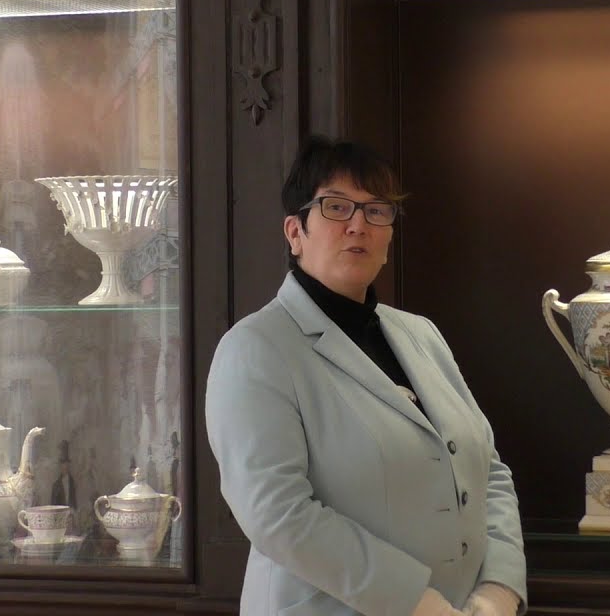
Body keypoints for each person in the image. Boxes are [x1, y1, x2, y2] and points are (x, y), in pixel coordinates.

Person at [206, 138, 526, 616]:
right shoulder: (255, 348)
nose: (359, 224)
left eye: (376, 211)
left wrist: (499, 591)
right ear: (295, 232)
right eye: (336, 207)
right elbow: (276, 513)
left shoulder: (420, 334)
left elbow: (489, 470)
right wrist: (420, 605)